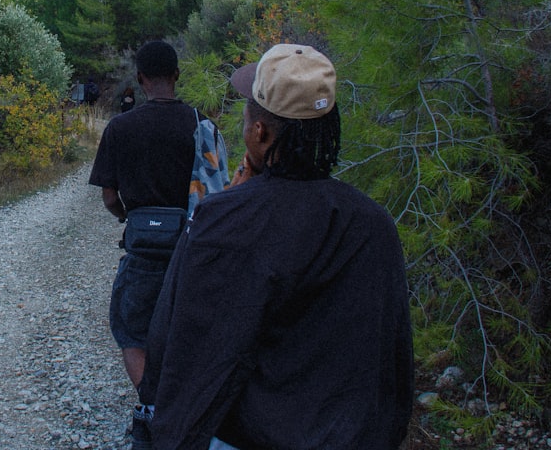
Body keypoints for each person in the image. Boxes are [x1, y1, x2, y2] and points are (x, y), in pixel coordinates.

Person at [140, 44, 414, 449]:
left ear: (260, 132)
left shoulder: (223, 221)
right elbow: (393, 356)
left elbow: (179, 349)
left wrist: (231, 206)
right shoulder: (373, 223)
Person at [89, 40, 229, 450]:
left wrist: (128, 219)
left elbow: (110, 197)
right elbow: (219, 190)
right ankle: (186, 408)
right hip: (191, 247)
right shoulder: (202, 125)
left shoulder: (120, 127)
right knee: (188, 331)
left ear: (141, 79)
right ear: (177, 76)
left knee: (132, 331)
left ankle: (152, 407)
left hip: (143, 249)